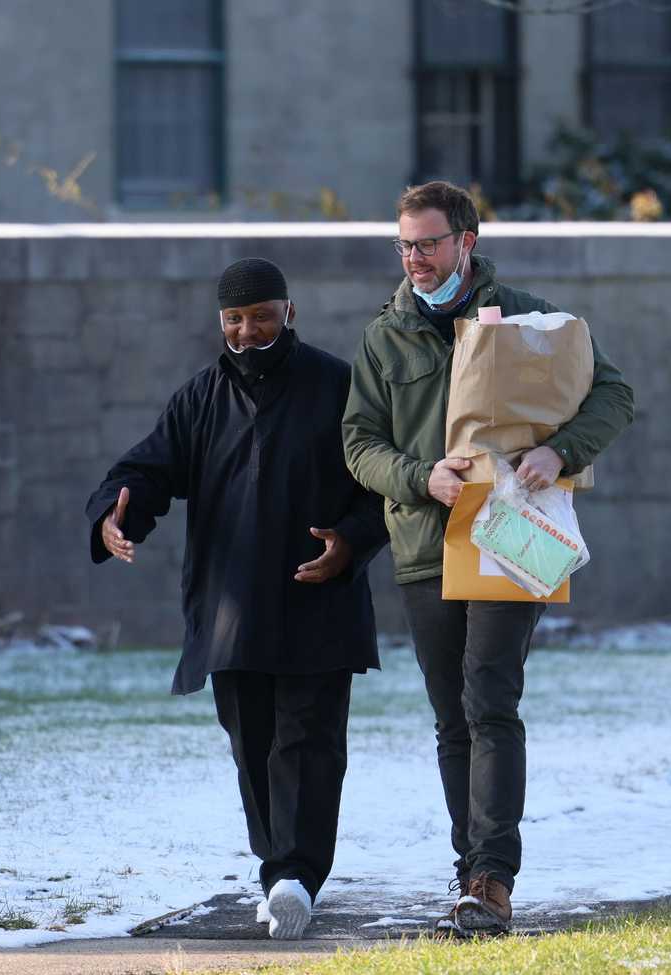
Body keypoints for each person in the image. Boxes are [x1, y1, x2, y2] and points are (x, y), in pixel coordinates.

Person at [342, 181, 634, 936]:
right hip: (424, 541)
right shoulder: (383, 337)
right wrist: (419, 475)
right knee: (452, 719)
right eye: (404, 244)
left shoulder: (535, 319)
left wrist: (559, 449)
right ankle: (467, 867)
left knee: (489, 697)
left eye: (429, 243)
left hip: (511, 532)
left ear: (466, 241)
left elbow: (614, 392)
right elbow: (358, 443)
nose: (415, 258)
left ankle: (492, 878)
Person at [86, 258, 388, 940]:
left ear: (290, 311)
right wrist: (114, 514)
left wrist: (349, 543)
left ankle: (298, 878)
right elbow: (147, 469)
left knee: (308, 744)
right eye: (233, 319)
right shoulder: (200, 397)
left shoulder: (341, 386)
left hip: (318, 601)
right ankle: (279, 872)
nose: (247, 331)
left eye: (259, 316)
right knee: (251, 745)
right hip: (232, 608)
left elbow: (382, 490)